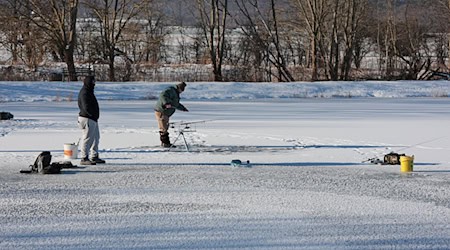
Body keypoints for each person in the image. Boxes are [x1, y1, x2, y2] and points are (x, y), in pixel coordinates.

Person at [77, 75, 106, 165]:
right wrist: (92, 115)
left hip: (92, 119)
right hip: (87, 119)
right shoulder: (85, 92)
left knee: (96, 138)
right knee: (87, 138)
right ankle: (84, 158)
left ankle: (94, 156)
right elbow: (86, 107)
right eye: (93, 82)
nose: (94, 84)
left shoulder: (89, 91)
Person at [154, 82, 189, 147]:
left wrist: (183, 108)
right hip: (162, 111)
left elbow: (175, 104)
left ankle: (165, 143)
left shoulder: (176, 93)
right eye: (181, 90)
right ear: (178, 88)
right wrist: (166, 103)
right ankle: (165, 143)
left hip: (166, 113)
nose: (181, 92)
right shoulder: (170, 90)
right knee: (163, 128)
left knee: (165, 127)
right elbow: (163, 95)